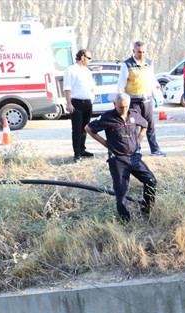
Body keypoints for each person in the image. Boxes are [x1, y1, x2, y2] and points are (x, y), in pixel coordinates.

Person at [85, 93, 157, 222]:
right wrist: (106, 143)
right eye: (120, 107)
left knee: (151, 181)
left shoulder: (134, 114)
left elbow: (145, 124)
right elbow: (88, 128)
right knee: (121, 191)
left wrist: (138, 140)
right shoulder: (107, 117)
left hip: (135, 157)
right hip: (118, 160)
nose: (123, 110)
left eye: (126, 107)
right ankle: (125, 221)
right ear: (114, 104)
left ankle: (146, 211)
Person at [117, 40, 166, 156]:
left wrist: (156, 96)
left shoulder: (149, 63)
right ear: (134, 51)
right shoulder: (127, 64)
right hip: (133, 101)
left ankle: (155, 149)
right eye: (139, 52)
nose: (141, 54)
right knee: (134, 127)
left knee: (150, 125)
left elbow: (152, 81)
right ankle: (135, 149)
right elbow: (121, 84)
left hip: (147, 99)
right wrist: (120, 101)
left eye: (144, 52)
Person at [63, 48, 96, 162]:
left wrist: (91, 99)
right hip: (76, 103)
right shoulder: (71, 70)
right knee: (76, 130)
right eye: (89, 58)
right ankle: (77, 153)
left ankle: (82, 149)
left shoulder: (87, 70)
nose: (90, 61)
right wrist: (69, 103)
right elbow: (67, 88)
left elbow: (91, 86)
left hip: (87, 103)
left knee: (85, 129)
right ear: (82, 57)